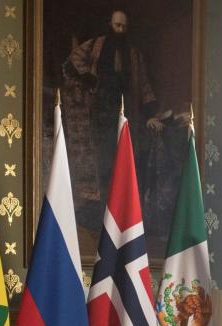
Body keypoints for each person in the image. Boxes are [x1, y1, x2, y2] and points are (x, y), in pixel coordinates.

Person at [63, 9, 166, 211]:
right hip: (101, 112)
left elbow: (144, 85)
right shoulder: (96, 45)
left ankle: (122, 210)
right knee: (104, 162)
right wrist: (89, 78)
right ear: (110, 24)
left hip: (127, 115)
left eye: (124, 26)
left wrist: (150, 114)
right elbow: (73, 62)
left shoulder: (134, 54)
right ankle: (102, 210)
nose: (120, 30)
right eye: (117, 25)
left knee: (126, 164)